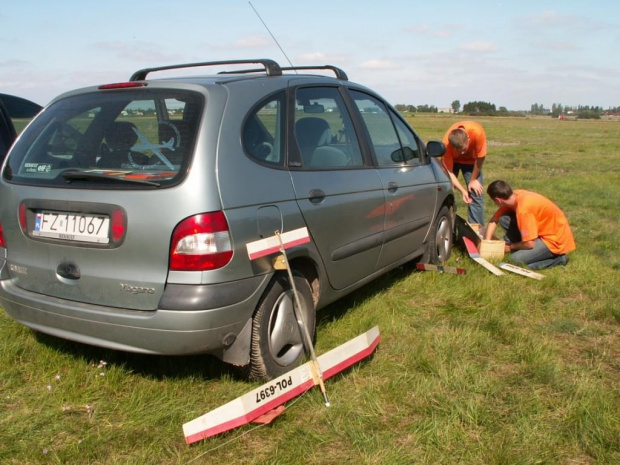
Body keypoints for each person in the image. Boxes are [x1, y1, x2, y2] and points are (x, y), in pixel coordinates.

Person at [485, 180, 575, 270]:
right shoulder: (514, 196)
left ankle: (560, 260)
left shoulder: (523, 210)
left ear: (498, 200)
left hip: (554, 240)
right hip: (540, 234)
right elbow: (494, 220)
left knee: (513, 262)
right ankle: (523, 250)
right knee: (504, 218)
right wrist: (487, 241)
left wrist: (510, 247)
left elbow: (529, 244)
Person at [441, 120, 487, 225]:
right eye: (457, 149)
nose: (461, 152)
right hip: (453, 161)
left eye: (463, 149)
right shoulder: (446, 144)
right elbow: (449, 172)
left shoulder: (477, 132)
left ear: (468, 139)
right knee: (447, 191)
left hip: (472, 162)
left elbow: (481, 157)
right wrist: (462, 191)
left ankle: (476, 230)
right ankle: (448, 226)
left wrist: (473, 180)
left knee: (476, 193)